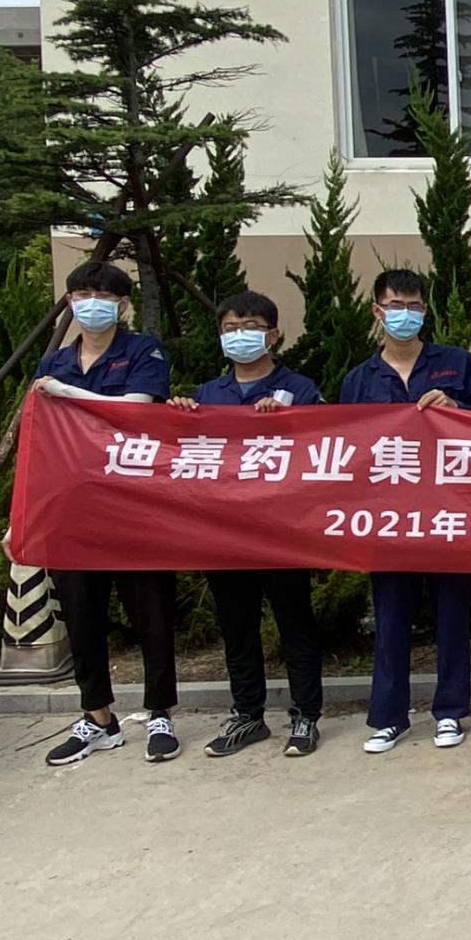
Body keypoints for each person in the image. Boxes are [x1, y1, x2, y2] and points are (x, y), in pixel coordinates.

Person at [167, 290, 327, 759]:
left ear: (273, 335)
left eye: (251, 327)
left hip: (281, 530)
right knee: (237, 627)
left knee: (295, 624)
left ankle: (305, 715)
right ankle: (247, 715)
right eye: (230, 329)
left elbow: (327, 447)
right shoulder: (207, 395)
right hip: (225, 532)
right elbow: (186, 457)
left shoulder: (299, 389)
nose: (240, 336)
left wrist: (290, 422)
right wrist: (179, 419)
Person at [341, 269, 471, 753]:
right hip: (388, 517)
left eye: (413, 306)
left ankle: (449, 711)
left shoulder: (455, 363)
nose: (404, 315)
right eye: (395, 306)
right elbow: (346, 446)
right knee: (390, 618)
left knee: (452, 615)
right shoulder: (359, 379)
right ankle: (389, 717)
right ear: (377, 311)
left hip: (450, 511)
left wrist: (455, 406)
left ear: (425, 311)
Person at [34, 261, 180, 766]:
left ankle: (160, 713)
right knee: (82, 616)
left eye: (102, 295)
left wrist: (66, 394)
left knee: (152, 614)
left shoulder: (142, 351)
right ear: (69, 302)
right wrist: (23, 519)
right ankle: (97, 717)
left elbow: (132, 412)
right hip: (72, 512)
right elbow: (40, 444)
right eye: (81, 294)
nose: (90, 303)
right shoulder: (54, 361)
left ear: (122, 304)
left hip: (136, 506)